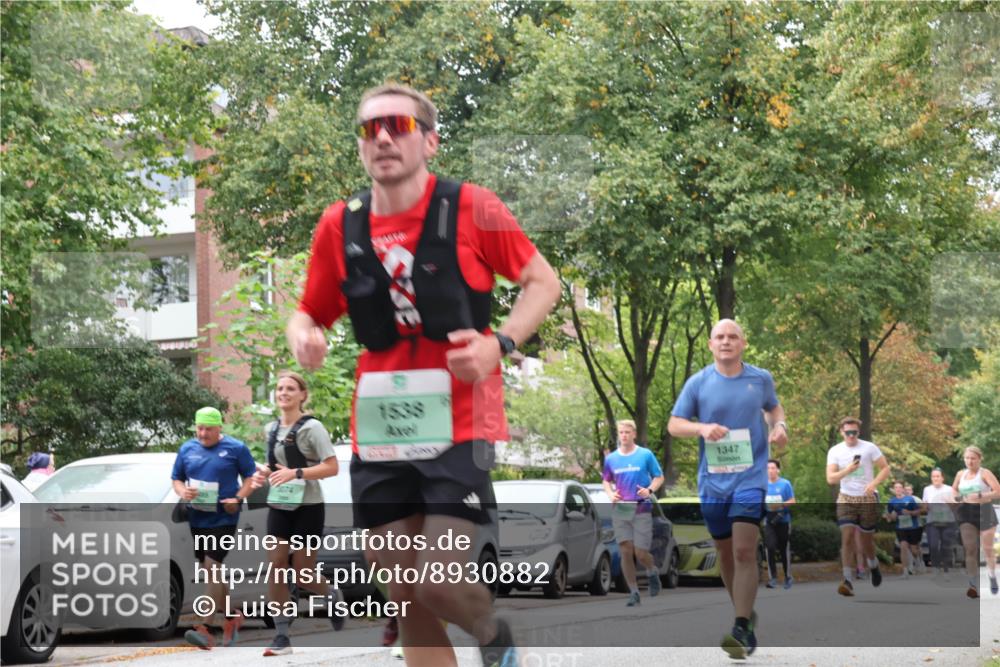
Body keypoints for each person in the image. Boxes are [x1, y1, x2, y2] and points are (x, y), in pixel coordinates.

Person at [287, 83, 560, 667]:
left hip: (461, 421)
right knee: (406, 595)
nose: (383, 137)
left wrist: (500, 343)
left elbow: (543, 281)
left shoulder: (471, 207)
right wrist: (303, 334)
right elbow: (308, 311)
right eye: (369, 129)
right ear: (361, 147)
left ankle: (493, 635)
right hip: (381, 429)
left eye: (399, 126)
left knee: (436, 581)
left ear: (430, 141)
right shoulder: (340, 225)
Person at [668, 319, 788, 660]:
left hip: (750, 479)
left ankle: (738, 626)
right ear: (710, 344)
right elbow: (674, 424)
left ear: (743, 343)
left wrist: (779, 426)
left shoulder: (759, 378)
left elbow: (774, 407)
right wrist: (702, 428)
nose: (726, 341)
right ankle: (745, 615)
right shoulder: (698, 383)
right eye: (719, 337)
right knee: (724, 554)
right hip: (713, 483)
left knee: (743, 551)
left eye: (732, 336)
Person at [251, 371, 344, 656]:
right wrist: (262, 475)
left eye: (290, 388)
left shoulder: (312, 428)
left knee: (303, 572)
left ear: (302, 395)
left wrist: (297, 473)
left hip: (309, 506)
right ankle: (281, 635)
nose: (284, 393)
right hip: (280, 504)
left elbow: (332, 467)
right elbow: (274, 466)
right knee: (276, 564)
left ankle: (331, 594)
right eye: (280, 388)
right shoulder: (270, 428)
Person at [171, 407, 257, 650]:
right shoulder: (187, 449)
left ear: (219, 428)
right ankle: (231, 617)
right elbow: (176, 478)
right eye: (199, 427)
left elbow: (250, 478)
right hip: (198, 518)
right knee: (212, 572)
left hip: (224, 519)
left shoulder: (235, 449)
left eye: (208, 428)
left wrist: (238, 499)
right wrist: (182, 492)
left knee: (212, 566)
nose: (203, 433)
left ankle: (206, 628)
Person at [602, 419, 665, 606]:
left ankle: (652, 570)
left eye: (627, 432)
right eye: (621, 432)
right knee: (625, 550)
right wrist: (610, 493)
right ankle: (634, 592)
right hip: (620, 509)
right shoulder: (611, 459)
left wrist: (650, 490)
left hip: (641, 509)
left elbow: (659, 477)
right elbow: (606, 480)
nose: (624, 435)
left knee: (640, 552)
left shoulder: (645, 455)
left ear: (634, 434)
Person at [826, 417, 890, 597]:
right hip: (846, 498)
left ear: (858, 432)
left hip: (867, 498)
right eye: (848, 433)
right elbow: (830, 478)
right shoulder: (835, 451)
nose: (851, 436)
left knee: (865, 541)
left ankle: (873, 564)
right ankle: (847, 579)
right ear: (841, 432)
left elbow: (885, 468)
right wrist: (848, 470)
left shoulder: (869, 447)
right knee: (846, 537)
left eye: (854, 432)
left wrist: (874, 484)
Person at [950, 446, 999, 598]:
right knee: (970, 548)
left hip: (984, 511)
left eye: (973, 458)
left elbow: (998, 491)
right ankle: (973, 585)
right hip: (966, 512)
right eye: (967, 458)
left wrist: (981, 495)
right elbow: (954, 490)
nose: (970, 461)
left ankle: (991, 575)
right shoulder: (960, 474)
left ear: (979, 459)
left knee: (987, 548)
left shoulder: (985, 473)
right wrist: (956, 498)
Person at [763, 459, 795, 590]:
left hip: (782, 519)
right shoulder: (762, 485)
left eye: (773, 468)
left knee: (783, 549)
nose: (770, 470)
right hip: (769, 521)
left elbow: (793, 501)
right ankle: (773, 578)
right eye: (768, 468)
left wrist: (780, 505)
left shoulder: (785, 484)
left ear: (778, 470)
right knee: (770, 547)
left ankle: (788, 577)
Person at [922, 468, 957, 576]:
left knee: (945, 545)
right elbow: (924, 506)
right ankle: (936, 567)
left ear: (942, 478)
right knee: (933, 545)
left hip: (948, 522)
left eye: (938, 476)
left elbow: (955, 506)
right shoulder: (927, 489)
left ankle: (946, 569)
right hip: (932, 521)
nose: (935, 478)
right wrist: (926, 506)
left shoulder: (949, 489)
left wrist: (948, 502)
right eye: (933, 476)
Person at [886, 481, 921, 579]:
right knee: (903, 547)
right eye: (896, 487)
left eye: (899, 487)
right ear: (894, 490)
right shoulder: (891, 501)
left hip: (913, 527)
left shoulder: (910, 499)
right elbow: (890, 516)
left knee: (914, 549)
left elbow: (918, 511)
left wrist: (909, 512)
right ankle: (905, 571)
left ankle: (917, 559)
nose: (898, 489)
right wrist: (891, 516)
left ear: (902, 489)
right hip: (900, 527)